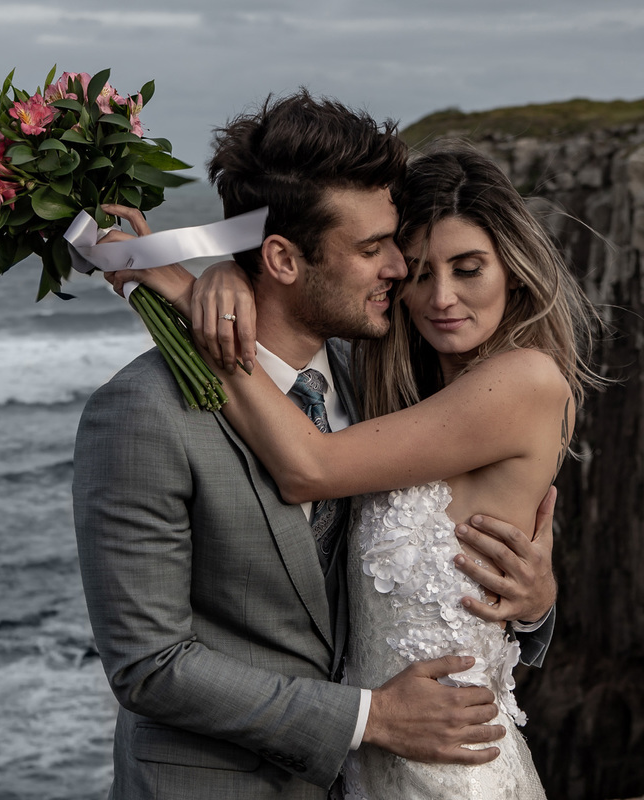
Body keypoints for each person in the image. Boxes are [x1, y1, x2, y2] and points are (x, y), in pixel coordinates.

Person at [73, 91, 559, 800]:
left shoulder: (381, 385)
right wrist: (369, 718)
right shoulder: (142, 413)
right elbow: (148, 665)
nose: (401, 270)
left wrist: (535, 605)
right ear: (281, 258)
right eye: (373, 249)